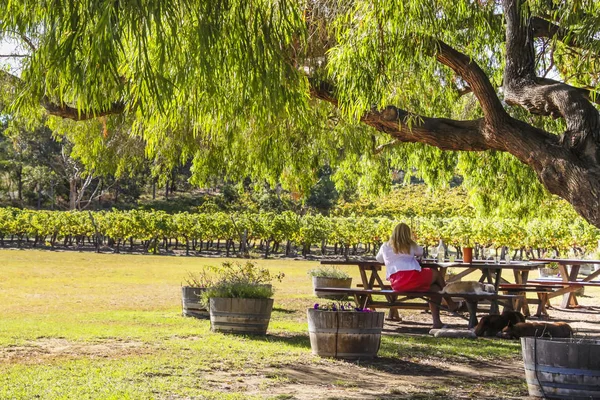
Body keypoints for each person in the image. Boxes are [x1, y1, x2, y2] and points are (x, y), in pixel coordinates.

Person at [375, 222, 449, 329]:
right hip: (412, 277)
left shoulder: (385, 246)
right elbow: (421, 252)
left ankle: (437, 322)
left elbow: (379, 259)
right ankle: (450, 302)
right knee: (436, 274)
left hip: (397, 283)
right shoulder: (410, 245)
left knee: (435, 289)